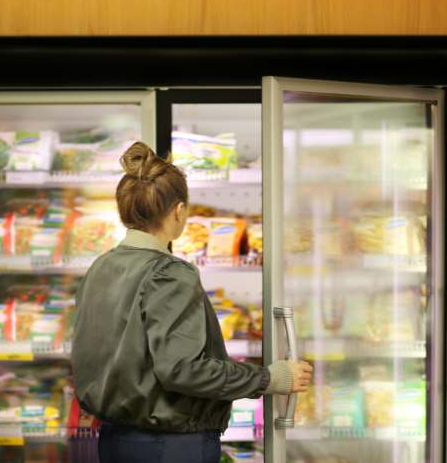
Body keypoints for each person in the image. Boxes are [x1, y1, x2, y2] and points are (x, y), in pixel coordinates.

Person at [72, 142, 312, 463]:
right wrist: (269, 378)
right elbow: (182, 370)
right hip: (169, 446)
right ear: (179, 211)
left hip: (116, 440)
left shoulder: (101, 266)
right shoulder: (168, 272)